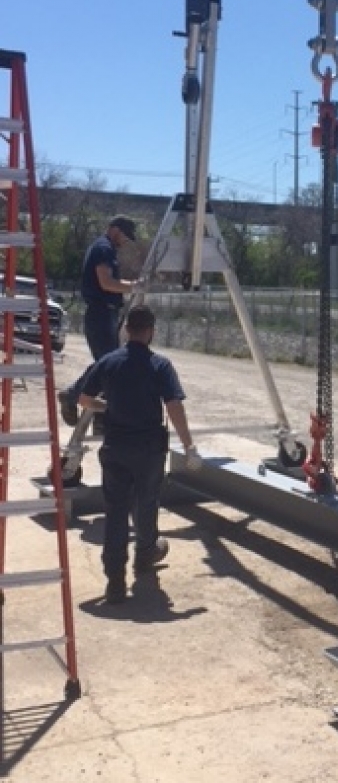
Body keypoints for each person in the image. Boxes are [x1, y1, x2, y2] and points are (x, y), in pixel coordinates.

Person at [78, 303, 202, 604]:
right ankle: (145, 556)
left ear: (126, 329)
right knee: (146, 504)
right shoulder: (160, 365)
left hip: (115, 449)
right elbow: (174, 406)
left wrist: (106, 406)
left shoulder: (108, 362)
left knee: (116, 511)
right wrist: (189, 446)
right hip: (148, 451)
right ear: (151, 332)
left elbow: (83, 398)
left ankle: (115, 580)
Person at [59, 214, 141, 427]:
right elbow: (106, 283)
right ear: (115, 229)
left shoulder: (104, 248)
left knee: (109, 365)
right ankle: (73, 395)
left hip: (105, 313)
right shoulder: (103, 248)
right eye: (124, 236)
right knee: (107, 364)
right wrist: (134, 287)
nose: (124, 241)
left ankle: (99, 417)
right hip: (101, 313)